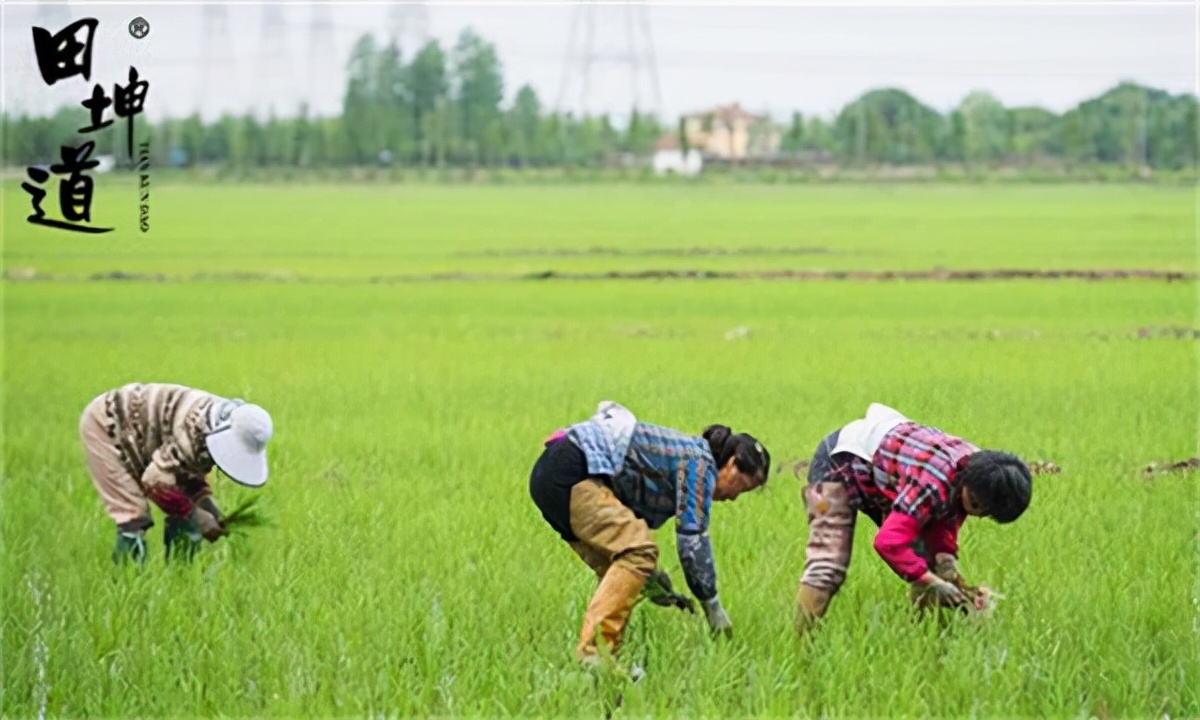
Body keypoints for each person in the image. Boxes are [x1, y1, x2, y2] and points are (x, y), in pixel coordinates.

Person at [529, 400, 771, 668]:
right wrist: (713, 608)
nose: (734, 498)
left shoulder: (682, 459)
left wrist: (656, 585)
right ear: (732, 463)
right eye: (741, 487)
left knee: (620, 567)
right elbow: (692, 543)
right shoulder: (699, 462)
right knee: (639, 552)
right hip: (574, 471)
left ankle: (606, 665)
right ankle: (595, 656)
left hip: (550, 476)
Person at [795, 403, 1031, 633]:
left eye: (986, 513)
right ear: (966, 481)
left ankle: (923, 634)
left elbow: (947, 515)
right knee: (827, 564)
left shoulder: (980, 471)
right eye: (975, 505)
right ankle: (800, 643)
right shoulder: (934, 481)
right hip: (838, 462)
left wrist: (945, 562)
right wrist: (931, 581)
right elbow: (887, 542)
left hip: (883, 473)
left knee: (926, 559)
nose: (976, 515)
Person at [77, 382, 274, 563]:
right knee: (133, 516)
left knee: (183, 512)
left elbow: (186, 470)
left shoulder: (217, 422)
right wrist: (196, 516)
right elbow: (155, 481)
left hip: (142, 433)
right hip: (108, 424)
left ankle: (180, 575)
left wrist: (205, 502)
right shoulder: (193, 428)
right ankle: (125, 580)